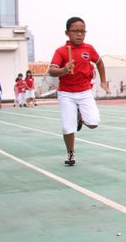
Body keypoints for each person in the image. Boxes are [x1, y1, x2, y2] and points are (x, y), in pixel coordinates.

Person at [48, 16, 110, 166]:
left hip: (85, 92)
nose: (80, 34)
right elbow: (51, 71)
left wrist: (103, 81)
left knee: (94, 123)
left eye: (83, 31)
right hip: (66, 93)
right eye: (76, 31)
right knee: (67, 126)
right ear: (67, 33)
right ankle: (71, 153)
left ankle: (80, 117)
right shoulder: (61, 51)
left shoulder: (89, 49)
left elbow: (99, 63)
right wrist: (64, 69)